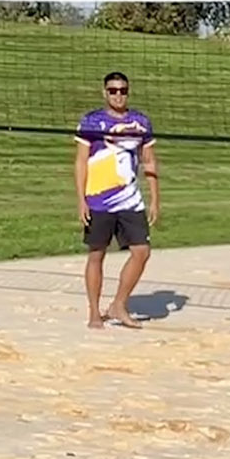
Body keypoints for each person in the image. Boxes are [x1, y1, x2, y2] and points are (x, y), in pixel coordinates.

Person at [74, 71, 160, 329]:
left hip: (130, 199)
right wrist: (81, 199)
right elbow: (80, 162)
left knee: (142, 252)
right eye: (113, 90)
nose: (118, 95)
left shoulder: (140, 122)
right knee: (97, 254)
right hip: (99, 199)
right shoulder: (92, 121)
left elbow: (149, 161)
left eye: (123, 90)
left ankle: (118, 305)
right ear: (105, 93)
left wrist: (155, 198)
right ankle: (94, 312)